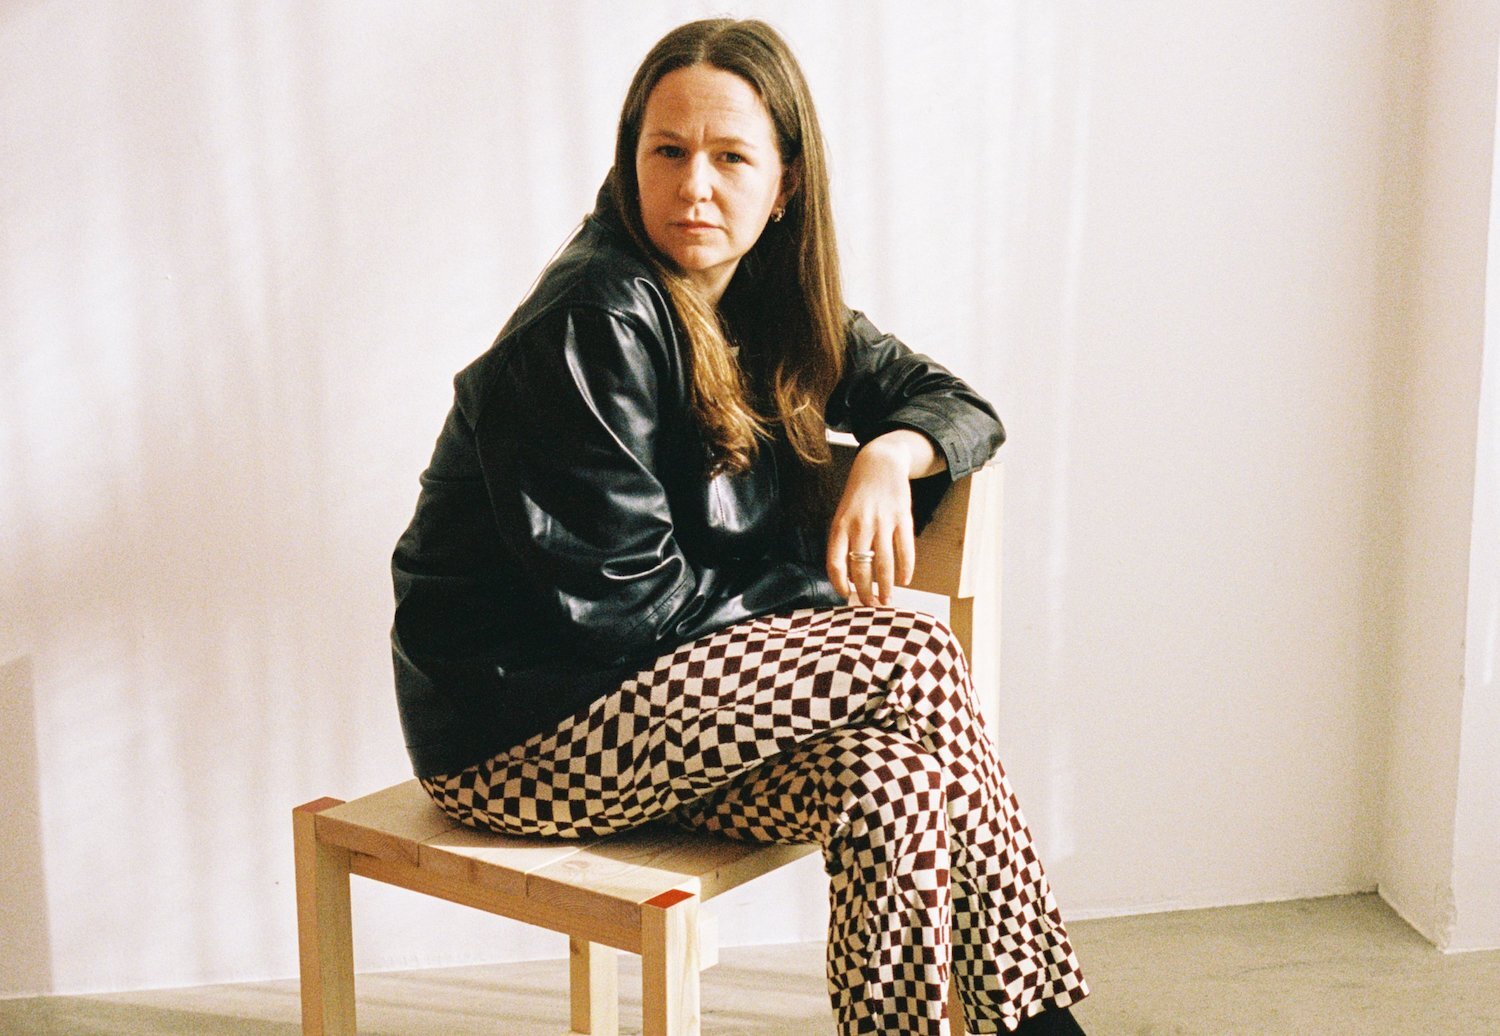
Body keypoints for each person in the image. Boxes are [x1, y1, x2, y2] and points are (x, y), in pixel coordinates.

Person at [391, 17, 1088, 1035]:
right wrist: (830, 598)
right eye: (667, 151)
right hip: (518, 735)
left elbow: (958, 404)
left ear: (786, 182)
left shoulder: (771, 302)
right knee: (913, 650)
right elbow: (628, 610)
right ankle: (1045, 1029)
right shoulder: (595, 316)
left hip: (660, 720)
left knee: (888, 779)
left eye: (730, 157)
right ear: (630, 160)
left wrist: (890, 454)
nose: (695, 186)